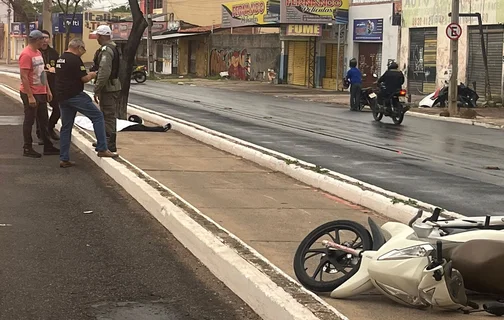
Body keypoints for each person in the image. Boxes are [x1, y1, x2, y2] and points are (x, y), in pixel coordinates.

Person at [55, 38, 118, 168]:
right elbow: (83, 78)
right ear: (78, 47)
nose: (83, 52)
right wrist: (93, 75)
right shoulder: (75, 60)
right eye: (83, 50)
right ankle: (102, 148)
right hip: (75, 95)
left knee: (66, 127)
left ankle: (64, 158)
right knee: (98, 116)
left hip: (62, 97)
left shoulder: (61, 58)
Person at [19, 30, 60, 158]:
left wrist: (47, 89)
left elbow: (42, 73)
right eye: (42, 39)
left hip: (41, 91)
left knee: (43, 120)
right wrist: (30, 96)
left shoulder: (38, 53)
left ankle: (48, 146)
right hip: (30, 93)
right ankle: (27, 147)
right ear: (36, 40)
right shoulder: (26, 54)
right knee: (29, 120)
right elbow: (24, 77)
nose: (44, 41)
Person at [91, 25, 121, 152]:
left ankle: (109, 143)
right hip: (111, 86)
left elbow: (104, 71)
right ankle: (104, 140)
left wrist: (97, 88)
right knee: (105, 115)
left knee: (108, 116)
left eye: (97, 35)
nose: (96, 38)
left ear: (102, 36)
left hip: (109, 88)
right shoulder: (113, 47)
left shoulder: (106, 50)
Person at [35, 30, 60, 143]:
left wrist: (56, 70)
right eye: (42, 38)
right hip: (39, 85)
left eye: (47, 38)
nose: (45, 40)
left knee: (58, 108)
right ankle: (41, 133)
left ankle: (50, 128)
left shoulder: (54, 53)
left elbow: (60, 67)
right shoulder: (35, 52)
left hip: (53, 84)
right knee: (40, 111)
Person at [74, 114, 172, 133]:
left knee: (144, 128)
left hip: (119, 124)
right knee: (144, 128)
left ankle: (160, 129)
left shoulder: (81, 119)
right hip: (121, 126)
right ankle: (160, 129)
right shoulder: (81, 119)